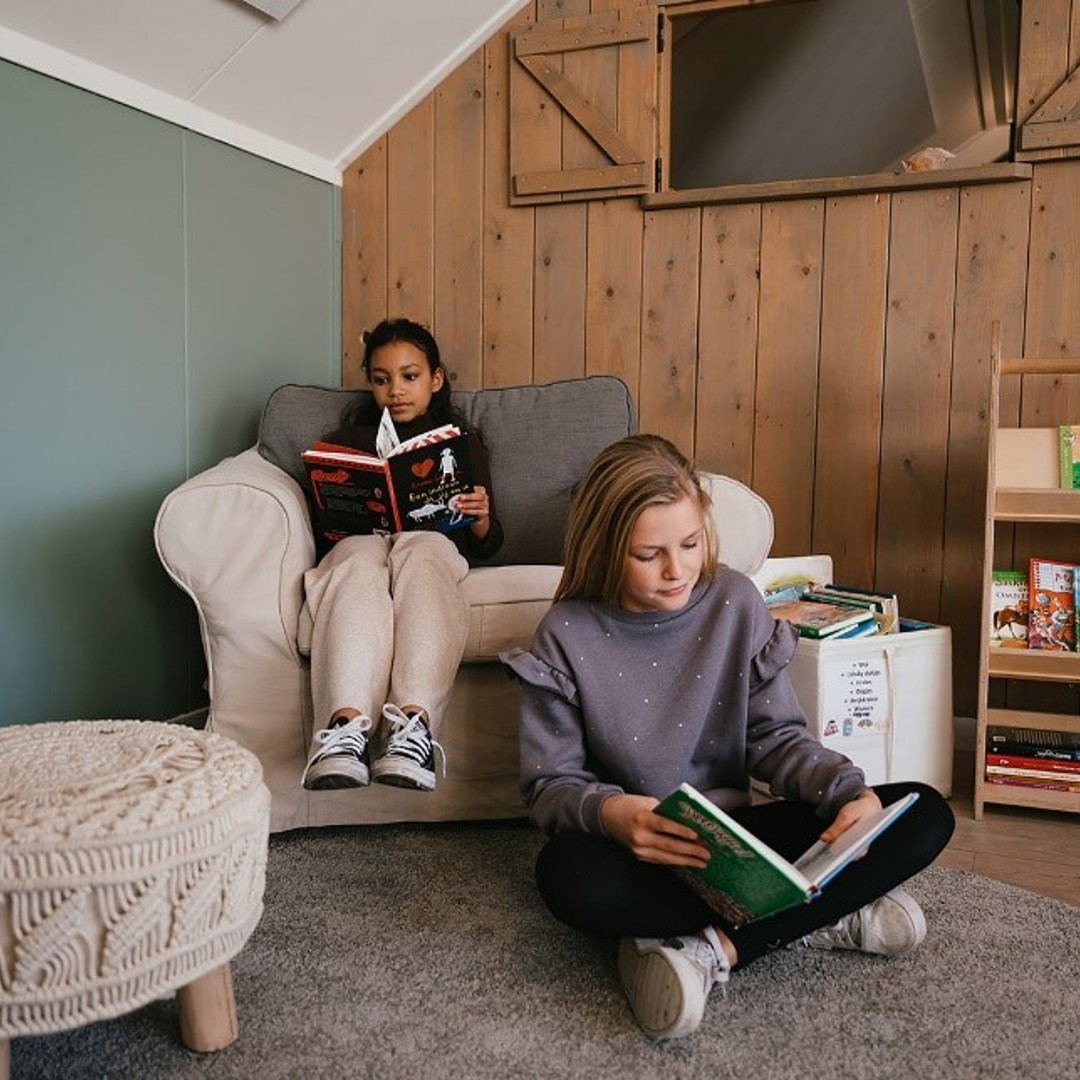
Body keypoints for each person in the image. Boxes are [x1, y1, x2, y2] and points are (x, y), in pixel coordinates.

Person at [501, 434, 954, 1040]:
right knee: (566, 878)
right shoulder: (565, 633)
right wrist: (613, 815)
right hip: (640, 851)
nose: (677, 570)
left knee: (919, 813)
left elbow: (777, 739)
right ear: (605, 549)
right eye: (648, 554)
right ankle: (812, 916)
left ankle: (711, 948)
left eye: (690, 544)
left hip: (739, 842)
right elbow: (552, 786)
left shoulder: (735, 602)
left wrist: (849, 795)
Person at [300, 318, 504, 792]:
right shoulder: (346, 440)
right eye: (381, 379)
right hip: (362, 545)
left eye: (410, 376)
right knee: (357, 558)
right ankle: (344, 732)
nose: (396, 390)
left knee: (423, 547)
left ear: (436, 378)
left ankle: (411, 730)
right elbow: (325, 526)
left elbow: (490, 542)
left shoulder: (460, 443)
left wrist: (479, 516)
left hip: (430, 549)